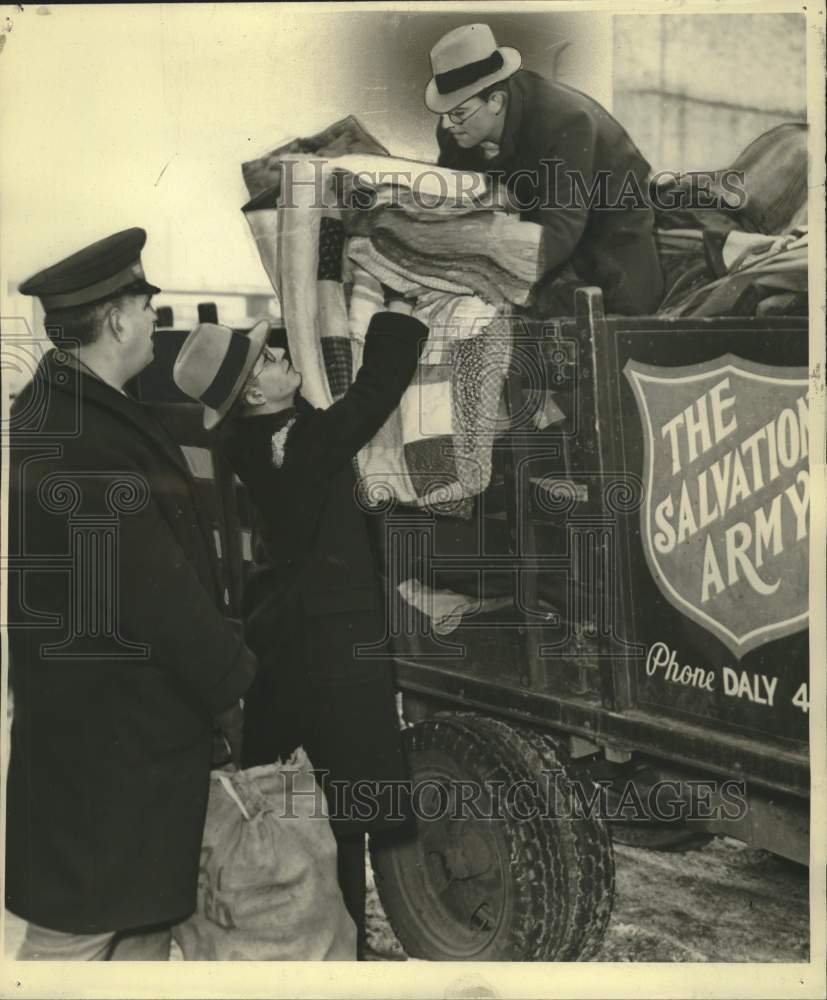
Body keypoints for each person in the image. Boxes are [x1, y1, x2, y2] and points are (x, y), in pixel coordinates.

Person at [7, 229, 258, 960]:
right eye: (148, 306)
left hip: (114, 738)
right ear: (117, 318)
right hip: (108, 747)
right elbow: (156, 591)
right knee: (74, 942)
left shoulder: (70, 407)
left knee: (137, 931)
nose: (156, 319)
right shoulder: (80, 433)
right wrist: (232, 681)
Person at [173, 293, 427, 959]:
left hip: (295, 645)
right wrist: (396, 313)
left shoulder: (264, 437)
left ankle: (329, 945)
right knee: (338, 808)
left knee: (317, 804)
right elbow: (370, 399)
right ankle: (336, 956)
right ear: (255, 388)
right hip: (326, 656)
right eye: (272, 357)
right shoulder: (298, 445)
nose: (284, 354)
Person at [426, 22, 664, 317]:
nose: (448, 124)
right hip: (537, 220)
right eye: (445, 114)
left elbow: (560, 230)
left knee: (626, 326)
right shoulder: (453, 130)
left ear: (495, 102)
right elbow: (451, 208)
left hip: (612, 222)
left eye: (459, 114)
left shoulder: (565, 122)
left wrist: (484, 272)